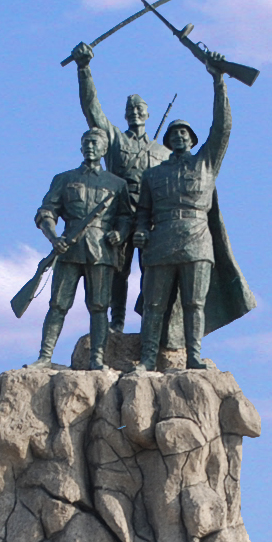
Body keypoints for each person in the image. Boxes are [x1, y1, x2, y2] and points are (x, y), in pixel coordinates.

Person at [135, 47, 256, 370]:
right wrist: (141, 230)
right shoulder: (153, 174)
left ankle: (193, 357)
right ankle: (146, 359)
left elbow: (223, 127)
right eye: (174, 133)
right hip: (161, 241)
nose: (179, 137)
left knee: (194, 304)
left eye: (184, 133)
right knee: (154, 305)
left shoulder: (206, 163)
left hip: (197, 239)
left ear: (192, 139)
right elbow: (143, 212)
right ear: (167, 141)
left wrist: (219, 81)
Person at [68, 46, 165, 340]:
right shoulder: (114, 140)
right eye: (130, 109)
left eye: (140, 108)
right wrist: (84, 69)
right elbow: (92, 109)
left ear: (148, 113)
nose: (135, 112)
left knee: (151, 272)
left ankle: (151, 323)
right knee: (118, 272)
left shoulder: (163, 151)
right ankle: (117, 321)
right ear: (125, 114)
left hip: (150, 217)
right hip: (118, 213)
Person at [30, 127, 129, 368]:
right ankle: (45, 357)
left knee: (99, 307)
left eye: (95, 143)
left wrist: (120, 233)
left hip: (101, 250)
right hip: (69, 248)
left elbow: (126, 216)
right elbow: (46, 212)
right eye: (86, 142)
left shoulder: (116, 184)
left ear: (104, 149)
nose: (90, 146)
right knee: (58, 305)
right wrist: (54, 238)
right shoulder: (64, 179)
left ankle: (97, 358)